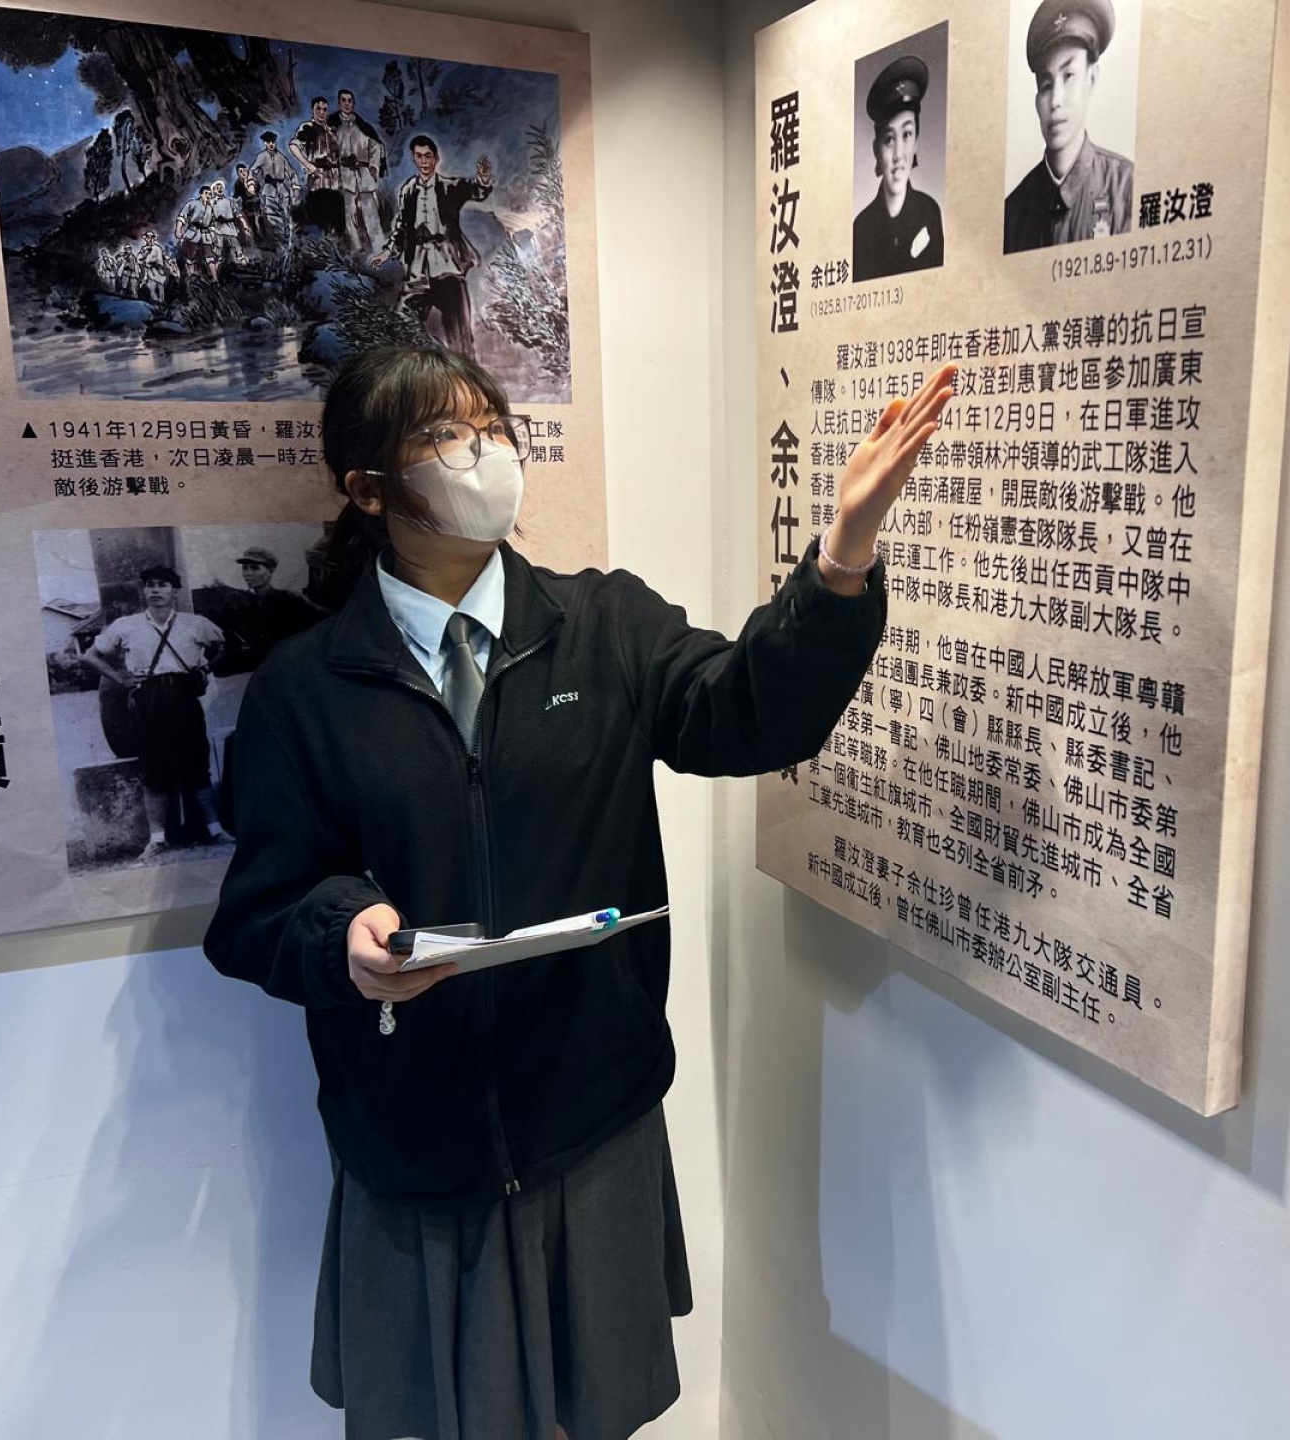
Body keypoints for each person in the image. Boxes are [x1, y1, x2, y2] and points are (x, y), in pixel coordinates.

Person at [203, 344, 954, 1439]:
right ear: (368, 490)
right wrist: (342, 936)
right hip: (416, 1142)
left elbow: (747, 715)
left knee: (590, 1421)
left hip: (591, 1115)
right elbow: (256, 912)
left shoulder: (603, 626)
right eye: (444, 437)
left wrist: (841, 561)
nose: (485, 455)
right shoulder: (305, 689)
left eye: (492, 427)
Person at [85, 564, 231, 862]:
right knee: (154, 771)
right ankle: (157, 840)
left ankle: (216, 830)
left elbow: (225, 646)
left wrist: (205, 668)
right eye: (150, 585)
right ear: (144, 591)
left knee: (197, 766)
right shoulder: (127, 625)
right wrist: (120, 679)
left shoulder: (195, 623)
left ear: (174, 591)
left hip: (184, 696)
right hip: (148, 699)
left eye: (162, 585)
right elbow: (90, 655)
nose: (155, 590)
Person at [1002, 0, 1135, 254]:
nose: (1056, 101)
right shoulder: (1013, 213)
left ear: (1092, 78)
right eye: (1046, 85)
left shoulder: (1126, 188)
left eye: (1068, 76)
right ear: (1036, 100)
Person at [373, 135, 494, 356]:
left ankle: (465, 369)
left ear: (436, 159)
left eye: (427, 156)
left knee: (460, 337)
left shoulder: (449, 187)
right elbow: (401, 228)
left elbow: (477, 190)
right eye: (419, 156)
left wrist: (484, 178)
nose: (424, 161)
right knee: (402, 323)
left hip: (448, 268)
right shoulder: (408, 191)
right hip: (418, 270)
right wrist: (387, 252)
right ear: (414, 158)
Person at [852, 53, 945, 281]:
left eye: (907, 135)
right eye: (889, 139)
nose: (898, 155)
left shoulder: (930, 213)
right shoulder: (861, 228)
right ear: (876, 150)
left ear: (916, 142)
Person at [218, 545, 324, 673]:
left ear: (270, 571)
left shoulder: (289, 599)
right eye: (245, 568)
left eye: (255, 568)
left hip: (294, 667)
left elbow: (323, 622)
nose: (248, 573)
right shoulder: (249, 607)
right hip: (267, 671)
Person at [331, 87, 388, 256]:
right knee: (349, 213)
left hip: (364, 174)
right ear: (339, 103)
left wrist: (374, 166)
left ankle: (379, 247)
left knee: (371, 212)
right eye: (343, 100)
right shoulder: (334, 127)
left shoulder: (363, 127)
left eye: (349, 100)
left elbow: (376, 147)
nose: (347, 104)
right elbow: (329, 151)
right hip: (345, 175)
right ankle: (356, 248)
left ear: (353, 104)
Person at [291, 96, 345, 240]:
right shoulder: (308, 128)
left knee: (337, 220)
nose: (322, 112)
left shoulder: (332, 131)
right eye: (318, 109)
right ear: (312, 110)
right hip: (318, 181)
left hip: (334, 182)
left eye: (325, 109)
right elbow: (294, 146)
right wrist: (309, 166)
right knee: (320, 219)